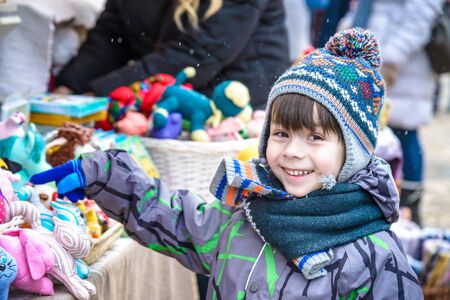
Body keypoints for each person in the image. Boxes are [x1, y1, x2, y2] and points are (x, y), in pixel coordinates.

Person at [30, 28, 422, 299]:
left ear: (351, 152)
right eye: (281, 134)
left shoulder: (375, 255)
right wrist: (110, 177)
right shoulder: (244, 216)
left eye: (316, 138)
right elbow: (178, 220)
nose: (292, 152)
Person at [53, 0, 290, 109]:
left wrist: (100, 92)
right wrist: (68, 87)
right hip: (170, 97)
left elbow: (194, 55)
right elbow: (112, 35)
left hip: (232, 107)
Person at [339, 0, 445, 226]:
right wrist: (345, 41)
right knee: (375, 134)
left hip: (401, 67)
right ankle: (377, 198)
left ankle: (408, 204)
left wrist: (389, 60)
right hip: (369, 60)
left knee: (402, 132)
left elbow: (419, 18)